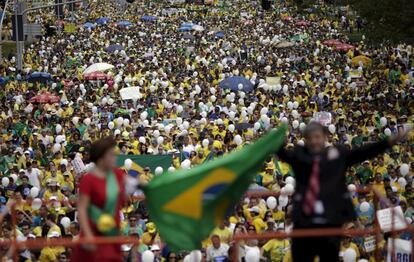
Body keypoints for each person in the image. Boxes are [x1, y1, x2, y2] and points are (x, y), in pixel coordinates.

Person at [277, 122, 407, 262]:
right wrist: (275, 139)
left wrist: (389, 141)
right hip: (304, 224)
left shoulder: (338, 155)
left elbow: (364, 152)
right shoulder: (299, 155)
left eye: (317, 137)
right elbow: (282, 154)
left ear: (325, 137)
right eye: (310, 138)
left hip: (330, 223)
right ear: (306, 140)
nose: (314, 141)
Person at [71, 137, 126, 262]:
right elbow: (82, 210)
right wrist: (88, 236)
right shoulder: (88, 180)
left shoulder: (117, 174)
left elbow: (136, 185)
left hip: (111, 236)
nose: (115, 158)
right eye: (111, 155)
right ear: (101, 158)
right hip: (94, 238)